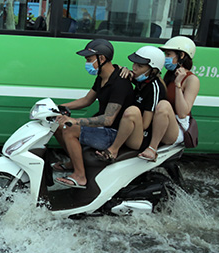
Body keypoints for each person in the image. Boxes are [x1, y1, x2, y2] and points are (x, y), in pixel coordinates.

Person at [53, 39, 135, 188]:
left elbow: (108, 119)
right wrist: (57, 107)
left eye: (89, 59)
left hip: (113, 133)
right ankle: (74, 161)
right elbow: (86, 100)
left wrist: (74, 121)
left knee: (69, 129)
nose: (87, 63)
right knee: (57, 126)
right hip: (102, 129)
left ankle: (80, 176)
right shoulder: (102, 77)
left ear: (101, 58)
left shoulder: (120, 82)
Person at [94, 46, 166, 162]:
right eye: (134, 64)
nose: (134, 68)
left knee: (132, 111)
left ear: (153, 70)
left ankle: (113, 150)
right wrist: (125, 70)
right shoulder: (139, 81)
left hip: (140, 137)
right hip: (129, 129)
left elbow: (145, 124)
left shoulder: (154, 88)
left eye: (140, 66)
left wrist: (128, 122)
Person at [138, 36, 200, 161]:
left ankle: (152, 149)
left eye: (168, 54)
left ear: (181, 55)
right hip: (159, 122)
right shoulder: (168, 75)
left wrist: (178, 84)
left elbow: (183, 113)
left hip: (176, 127)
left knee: (164, 105)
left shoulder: (191, 79)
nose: (165, 58)